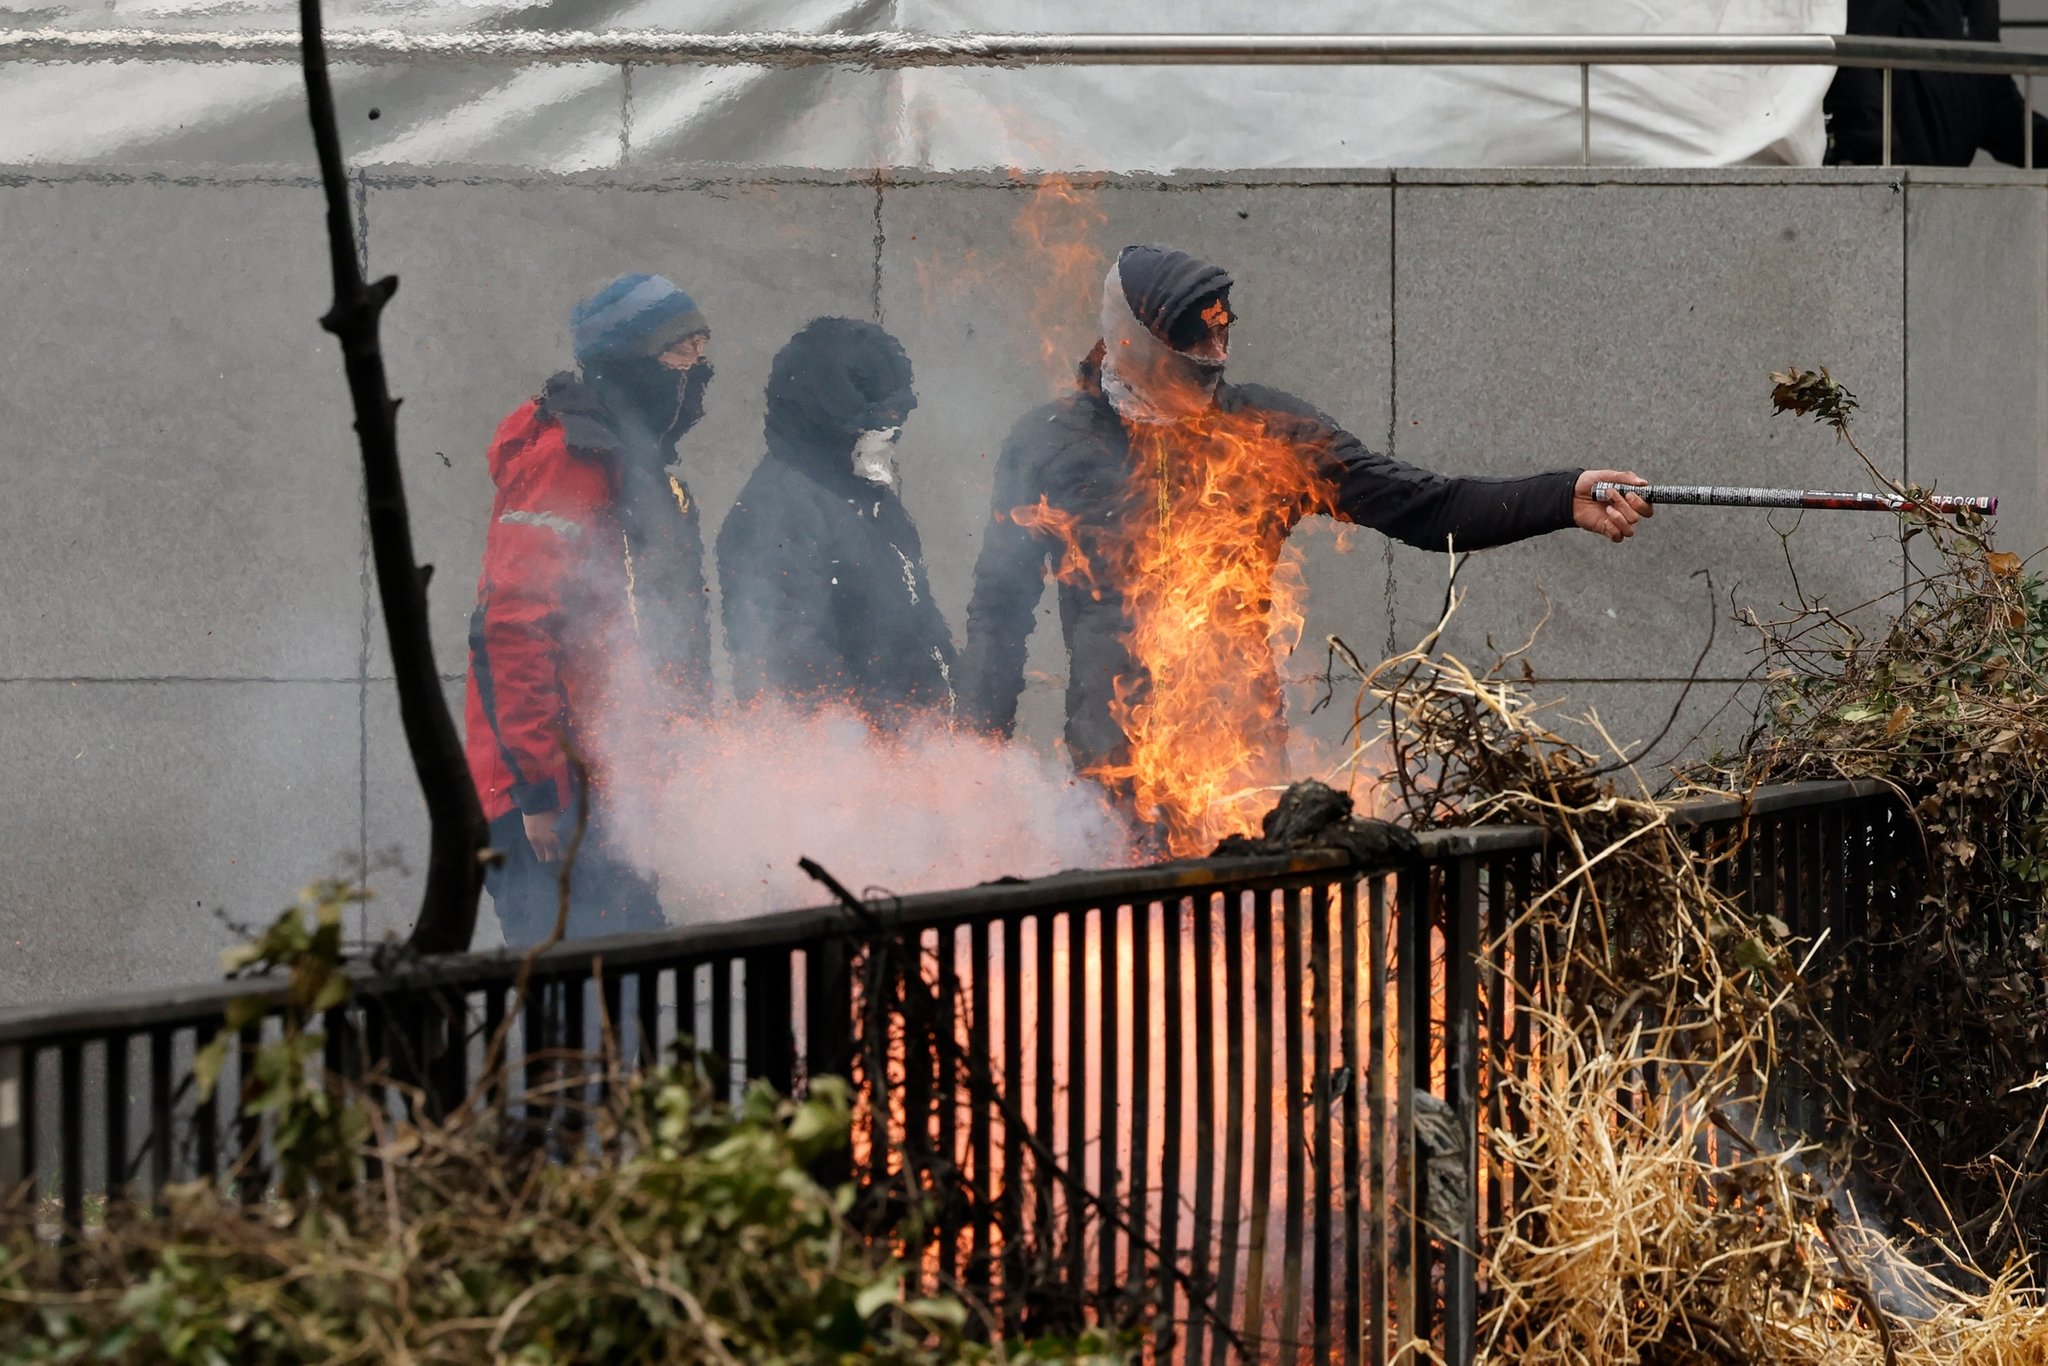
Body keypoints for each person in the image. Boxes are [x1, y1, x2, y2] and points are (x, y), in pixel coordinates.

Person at [957, 244, 1650, 850]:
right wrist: (974, 768)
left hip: (1241, 770)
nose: (1212, 361)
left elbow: (1426, 505)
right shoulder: (1050, 444)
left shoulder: (1270, 429)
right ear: (1132, 341)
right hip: (1109, 779)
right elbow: (998, 616)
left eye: (1219, 342)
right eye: (1191, 347)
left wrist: (1561, 496)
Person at [465, 273, 715, 946]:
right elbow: (513, 625)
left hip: (616, 786)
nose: (699, 368)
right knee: (574, 1020)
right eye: (680, 353)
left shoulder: (640, 466)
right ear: (629, 361)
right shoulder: (567, 459)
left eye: (702, 347)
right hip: (555, 799)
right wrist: (541, 793)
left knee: (624, 1003)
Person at [717, 317, 958, 726]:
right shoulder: (780, 510)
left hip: (912, 758)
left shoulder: (868, 499)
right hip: (848, 769)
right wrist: (866, 762)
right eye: (881, 413)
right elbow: (790, 668)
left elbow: (922, 631)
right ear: (830, 411)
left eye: (899, 412)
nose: (893, 428)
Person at [1827, 0, 2048, 166]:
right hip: (1887, 180)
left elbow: (1994, 100)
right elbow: (1854, 65)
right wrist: (1883, 159)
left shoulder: (1980, 6)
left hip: (1936, 189)